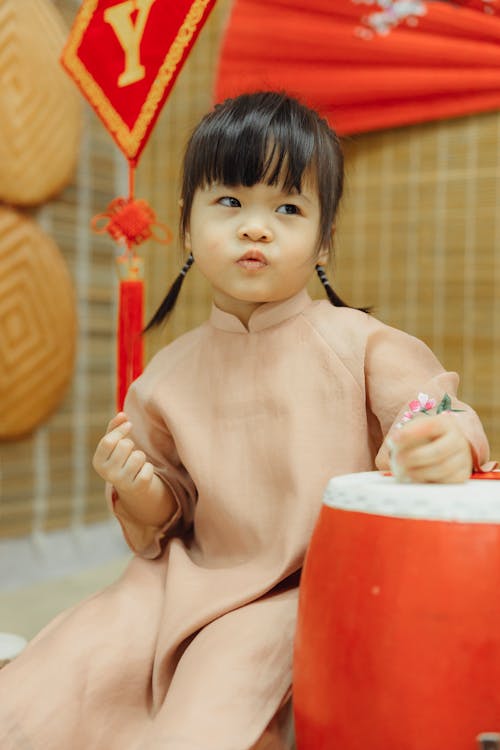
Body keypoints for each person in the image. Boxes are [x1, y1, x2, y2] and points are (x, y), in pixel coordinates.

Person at [0, 91, 491, 750]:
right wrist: (137, 482)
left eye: (287, 208)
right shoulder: (167, 373)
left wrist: (438, 444)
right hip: (178, 578)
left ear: (324, 237)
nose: (256, 227)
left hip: (302, 587)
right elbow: (165, 514)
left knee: (213, 699)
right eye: (230, 202)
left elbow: (432, 407)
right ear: (186, 219)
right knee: (64, 673)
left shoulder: (361, 344)